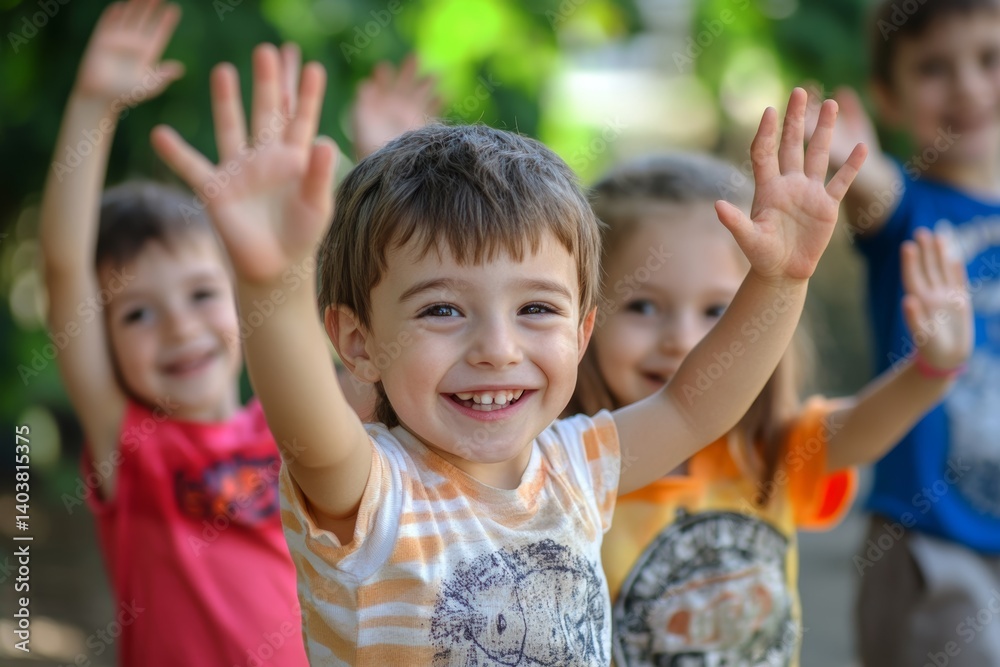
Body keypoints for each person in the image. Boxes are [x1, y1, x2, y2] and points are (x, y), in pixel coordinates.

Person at [149, 39, 865, 662]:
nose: (496, 348)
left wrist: (780, 281)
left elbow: (693, 405)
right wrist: (273, 283)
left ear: (581, 333)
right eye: (441, 309)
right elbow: (303, 423)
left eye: (535, 309)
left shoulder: (576, 468)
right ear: (358, 343)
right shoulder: (371, 492)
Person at [567, 152, 973, 666]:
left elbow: (860, 428)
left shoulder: (771, 450)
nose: (682, 340)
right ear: (583, 316)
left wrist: (932, 369)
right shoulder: (562, 469)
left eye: (718, 310)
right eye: (642, 306)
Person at [38, 1, 306, 664]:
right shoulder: (130, 445)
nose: (181, 326)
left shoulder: (297, 428)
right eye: (137, 313)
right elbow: (64, 270)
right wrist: (93, 108)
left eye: (201, 294)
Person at [808, 0, 1000, 663]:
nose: (968, 87)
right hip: (930, 544)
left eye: (989, 58)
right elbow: (872, 188)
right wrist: (843, 156)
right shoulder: (908, 208)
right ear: (889, 97)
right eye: (934, 69)